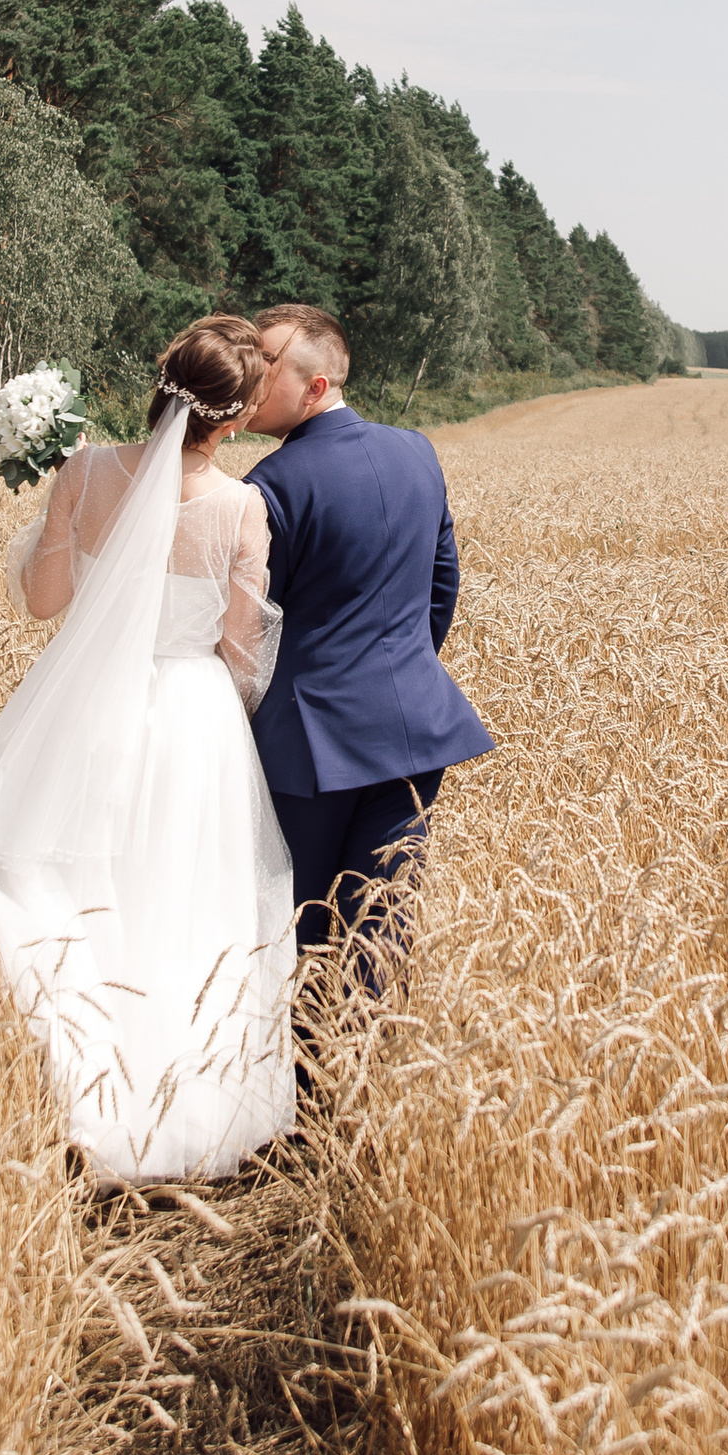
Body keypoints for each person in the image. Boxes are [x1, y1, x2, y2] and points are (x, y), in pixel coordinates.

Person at [0, 316, 294, 1182]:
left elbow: (43, 600)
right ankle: (179, 1108)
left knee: (65, 887)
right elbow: (241, 651)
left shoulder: (86, 471)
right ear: (236, 419)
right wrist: (226, 723)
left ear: (160, 384)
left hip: (82, 703)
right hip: (190, 716)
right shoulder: (242, 509)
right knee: (180, 902)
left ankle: (69, 1092)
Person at [238, 302, 492, 986]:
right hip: (415, 727)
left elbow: (251, 624)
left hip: (310, 745)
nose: (249, 376)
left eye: (266, 364)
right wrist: (401, 671)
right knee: (380, 924)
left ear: (315, 386)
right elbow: (442, 584)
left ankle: (303, 1059)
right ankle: (367, 1052)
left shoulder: (271, 484)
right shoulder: (417, 451)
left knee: (296, 928)